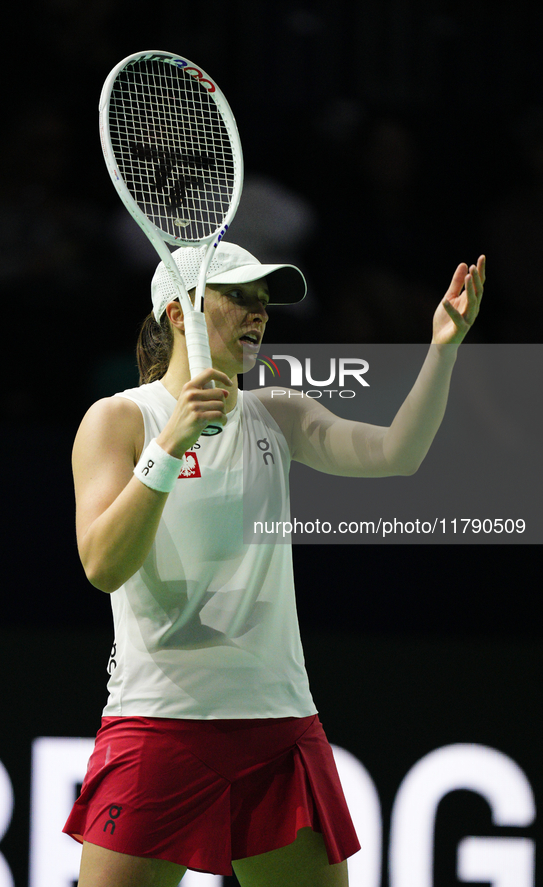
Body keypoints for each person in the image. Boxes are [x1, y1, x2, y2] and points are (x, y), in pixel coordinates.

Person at [63, 242, 485, 887]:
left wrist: (441, 351)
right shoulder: (121, 419)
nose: (258, 313)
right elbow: (102, 564)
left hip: (278, 727)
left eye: (264, 302)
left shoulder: (279, 414)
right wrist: (171, 446)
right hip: (159, 724)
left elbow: (396, 454)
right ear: (178, 313)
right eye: (240, 297)